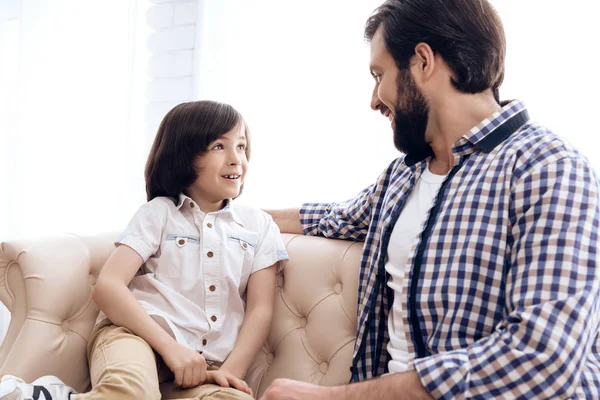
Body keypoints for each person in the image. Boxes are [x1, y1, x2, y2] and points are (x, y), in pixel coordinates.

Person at [260, 0, 600, 399]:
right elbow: (336, 218)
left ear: (422, 61)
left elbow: (542, 359)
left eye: (379, 74)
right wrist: (228, 212)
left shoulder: (549, 169)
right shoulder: (404, 174)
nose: (374, 99)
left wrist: (330, 398)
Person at [0, 100, 289, 400]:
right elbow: (108, 287)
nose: (236, 159)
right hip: (135, 337)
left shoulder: (260, 226)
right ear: (184, 155)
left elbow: (260, 309)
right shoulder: (159, 213)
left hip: (203, 366)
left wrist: (230, 374)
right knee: (133, 393)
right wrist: (171, 349)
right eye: (219, 146)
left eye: (241, 147)